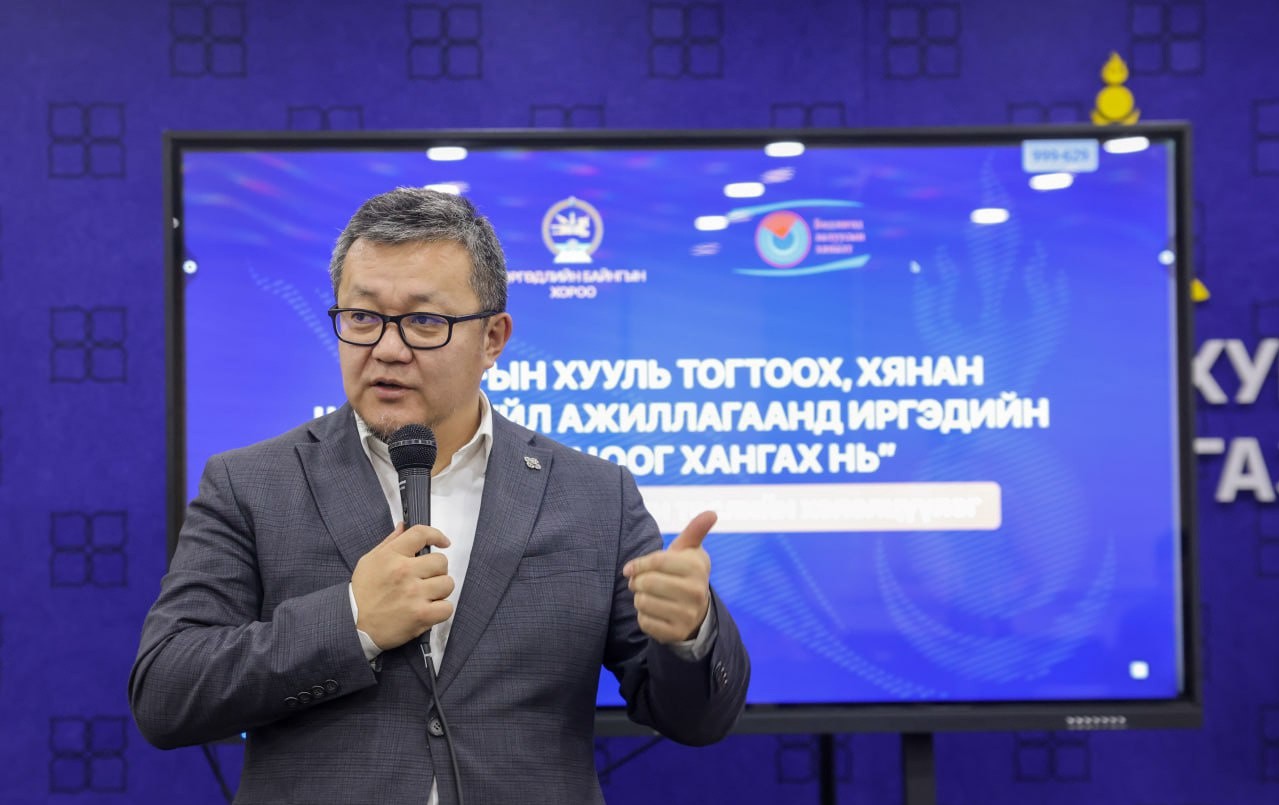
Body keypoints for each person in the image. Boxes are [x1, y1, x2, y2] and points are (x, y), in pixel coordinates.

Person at [129, 187, 750, 804]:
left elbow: (697, 721)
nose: (387, 349)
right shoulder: (251, 483)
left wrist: (689, 632)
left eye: (425, 321)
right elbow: (166, 692)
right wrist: (352, 621)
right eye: (362, 318)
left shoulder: (595, 496)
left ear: (493, 338)